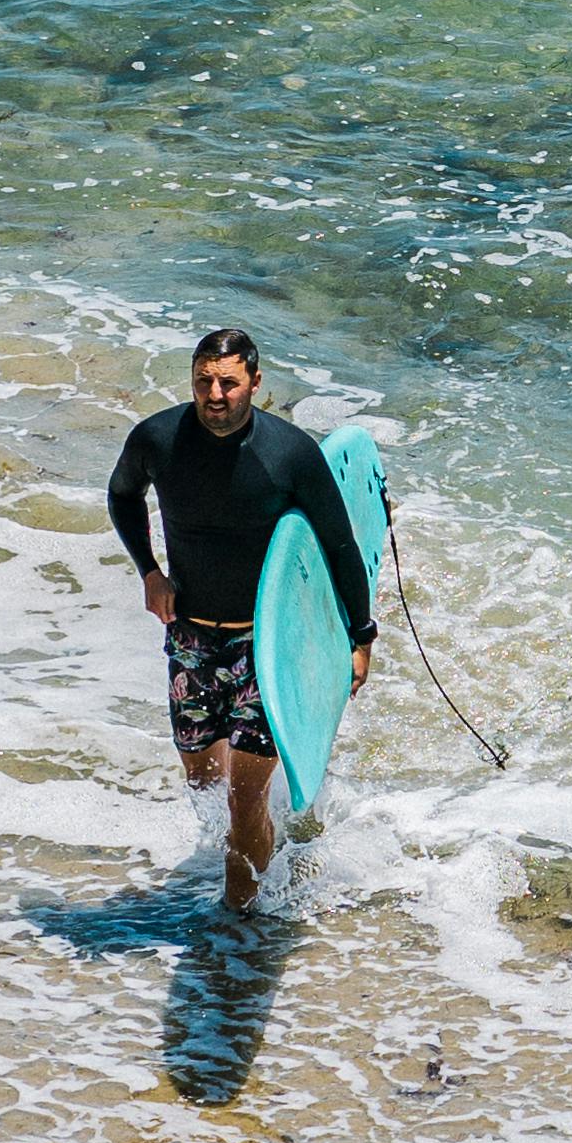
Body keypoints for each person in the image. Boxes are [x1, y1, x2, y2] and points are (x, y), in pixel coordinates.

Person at [106, 328, 372, 901]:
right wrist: (149, 571)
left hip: (268, 645)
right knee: (204, 781)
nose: (215, 394)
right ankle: (274, 843)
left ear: (255, 382)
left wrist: (359, 635)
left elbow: (339, 544)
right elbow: (123, 495)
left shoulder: (290, 455)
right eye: (204, 381)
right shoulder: (158, 439)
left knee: (242, 797)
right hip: (191, 639)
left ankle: (238, 929)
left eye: (229, 381)